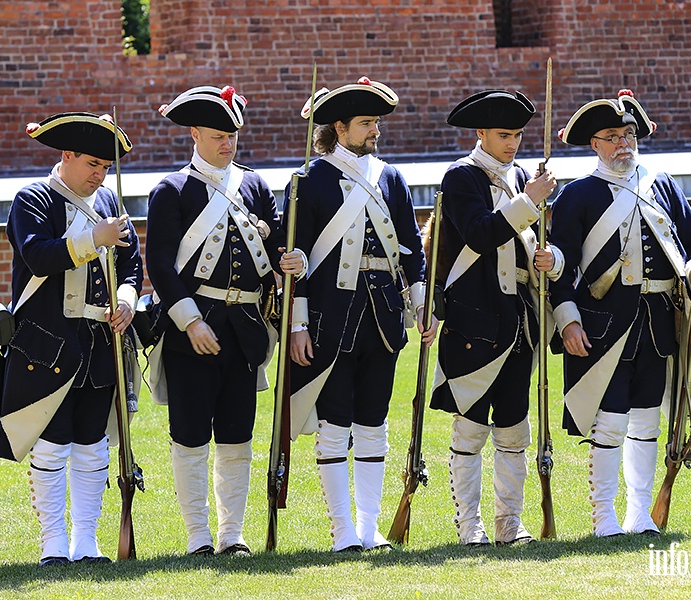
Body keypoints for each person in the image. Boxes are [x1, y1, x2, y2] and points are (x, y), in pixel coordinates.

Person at [146, 85, 305, 556]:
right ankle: (198, 536)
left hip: (245, 332)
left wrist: (291, 259)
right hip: (191, 330)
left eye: (232, 135)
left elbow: (277, 247)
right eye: (217, 135)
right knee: (190, 436)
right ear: (194, 134)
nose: (227, 144)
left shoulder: (253, 186)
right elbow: (160, 266)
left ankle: (232, 535)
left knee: (237, 436)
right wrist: (191, 322)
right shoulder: (171, 190)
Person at [548, 89, 691, 537]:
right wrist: (567, 319)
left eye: (628, 134)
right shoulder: (576, 196)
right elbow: (559, 264)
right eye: (612, 136)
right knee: (609, 419)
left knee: (646, 416)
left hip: (660, 320)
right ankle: (604, 515)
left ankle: (639, 512)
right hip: (604, 324)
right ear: (594, 145)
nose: (623, 143)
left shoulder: (661, 182)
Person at [286, 77, 437, 552]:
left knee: (373, 422)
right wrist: (298, 324)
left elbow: (411, 250)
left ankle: (368, 528)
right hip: (332, 318)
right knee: (334, 424)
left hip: (384, 319)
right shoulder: (309, 181)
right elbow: (296, 261)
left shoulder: (389, 177)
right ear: (339, 126)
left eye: (376, 122)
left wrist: (420, 304)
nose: (375, 131)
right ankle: (341, 531)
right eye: (367, 123)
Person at [0, 112, 142, 565]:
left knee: (92, 443)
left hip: (100, 341)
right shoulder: (33, 198)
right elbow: (38, 256)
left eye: (104, 166)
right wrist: (94, 237)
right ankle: (53, 543)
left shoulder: (109, 202)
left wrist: (127, 298)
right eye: (92, 164)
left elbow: (131, 263)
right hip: (49, 342)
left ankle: (86, 542)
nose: (99, 174)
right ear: (67, 156)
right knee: (52, 442)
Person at [428, 90, 559, 546]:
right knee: (469, 426)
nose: (513, 143)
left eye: (519, 134)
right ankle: (470, 525)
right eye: (504, 135)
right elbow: (481, 235)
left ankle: (509, 523)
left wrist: (553, 259)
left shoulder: (524, 177)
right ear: (481, 133)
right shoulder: (461, 177)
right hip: (475, 318)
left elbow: (547, 242)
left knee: (513, 426)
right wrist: (528, 200)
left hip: (520, 320)